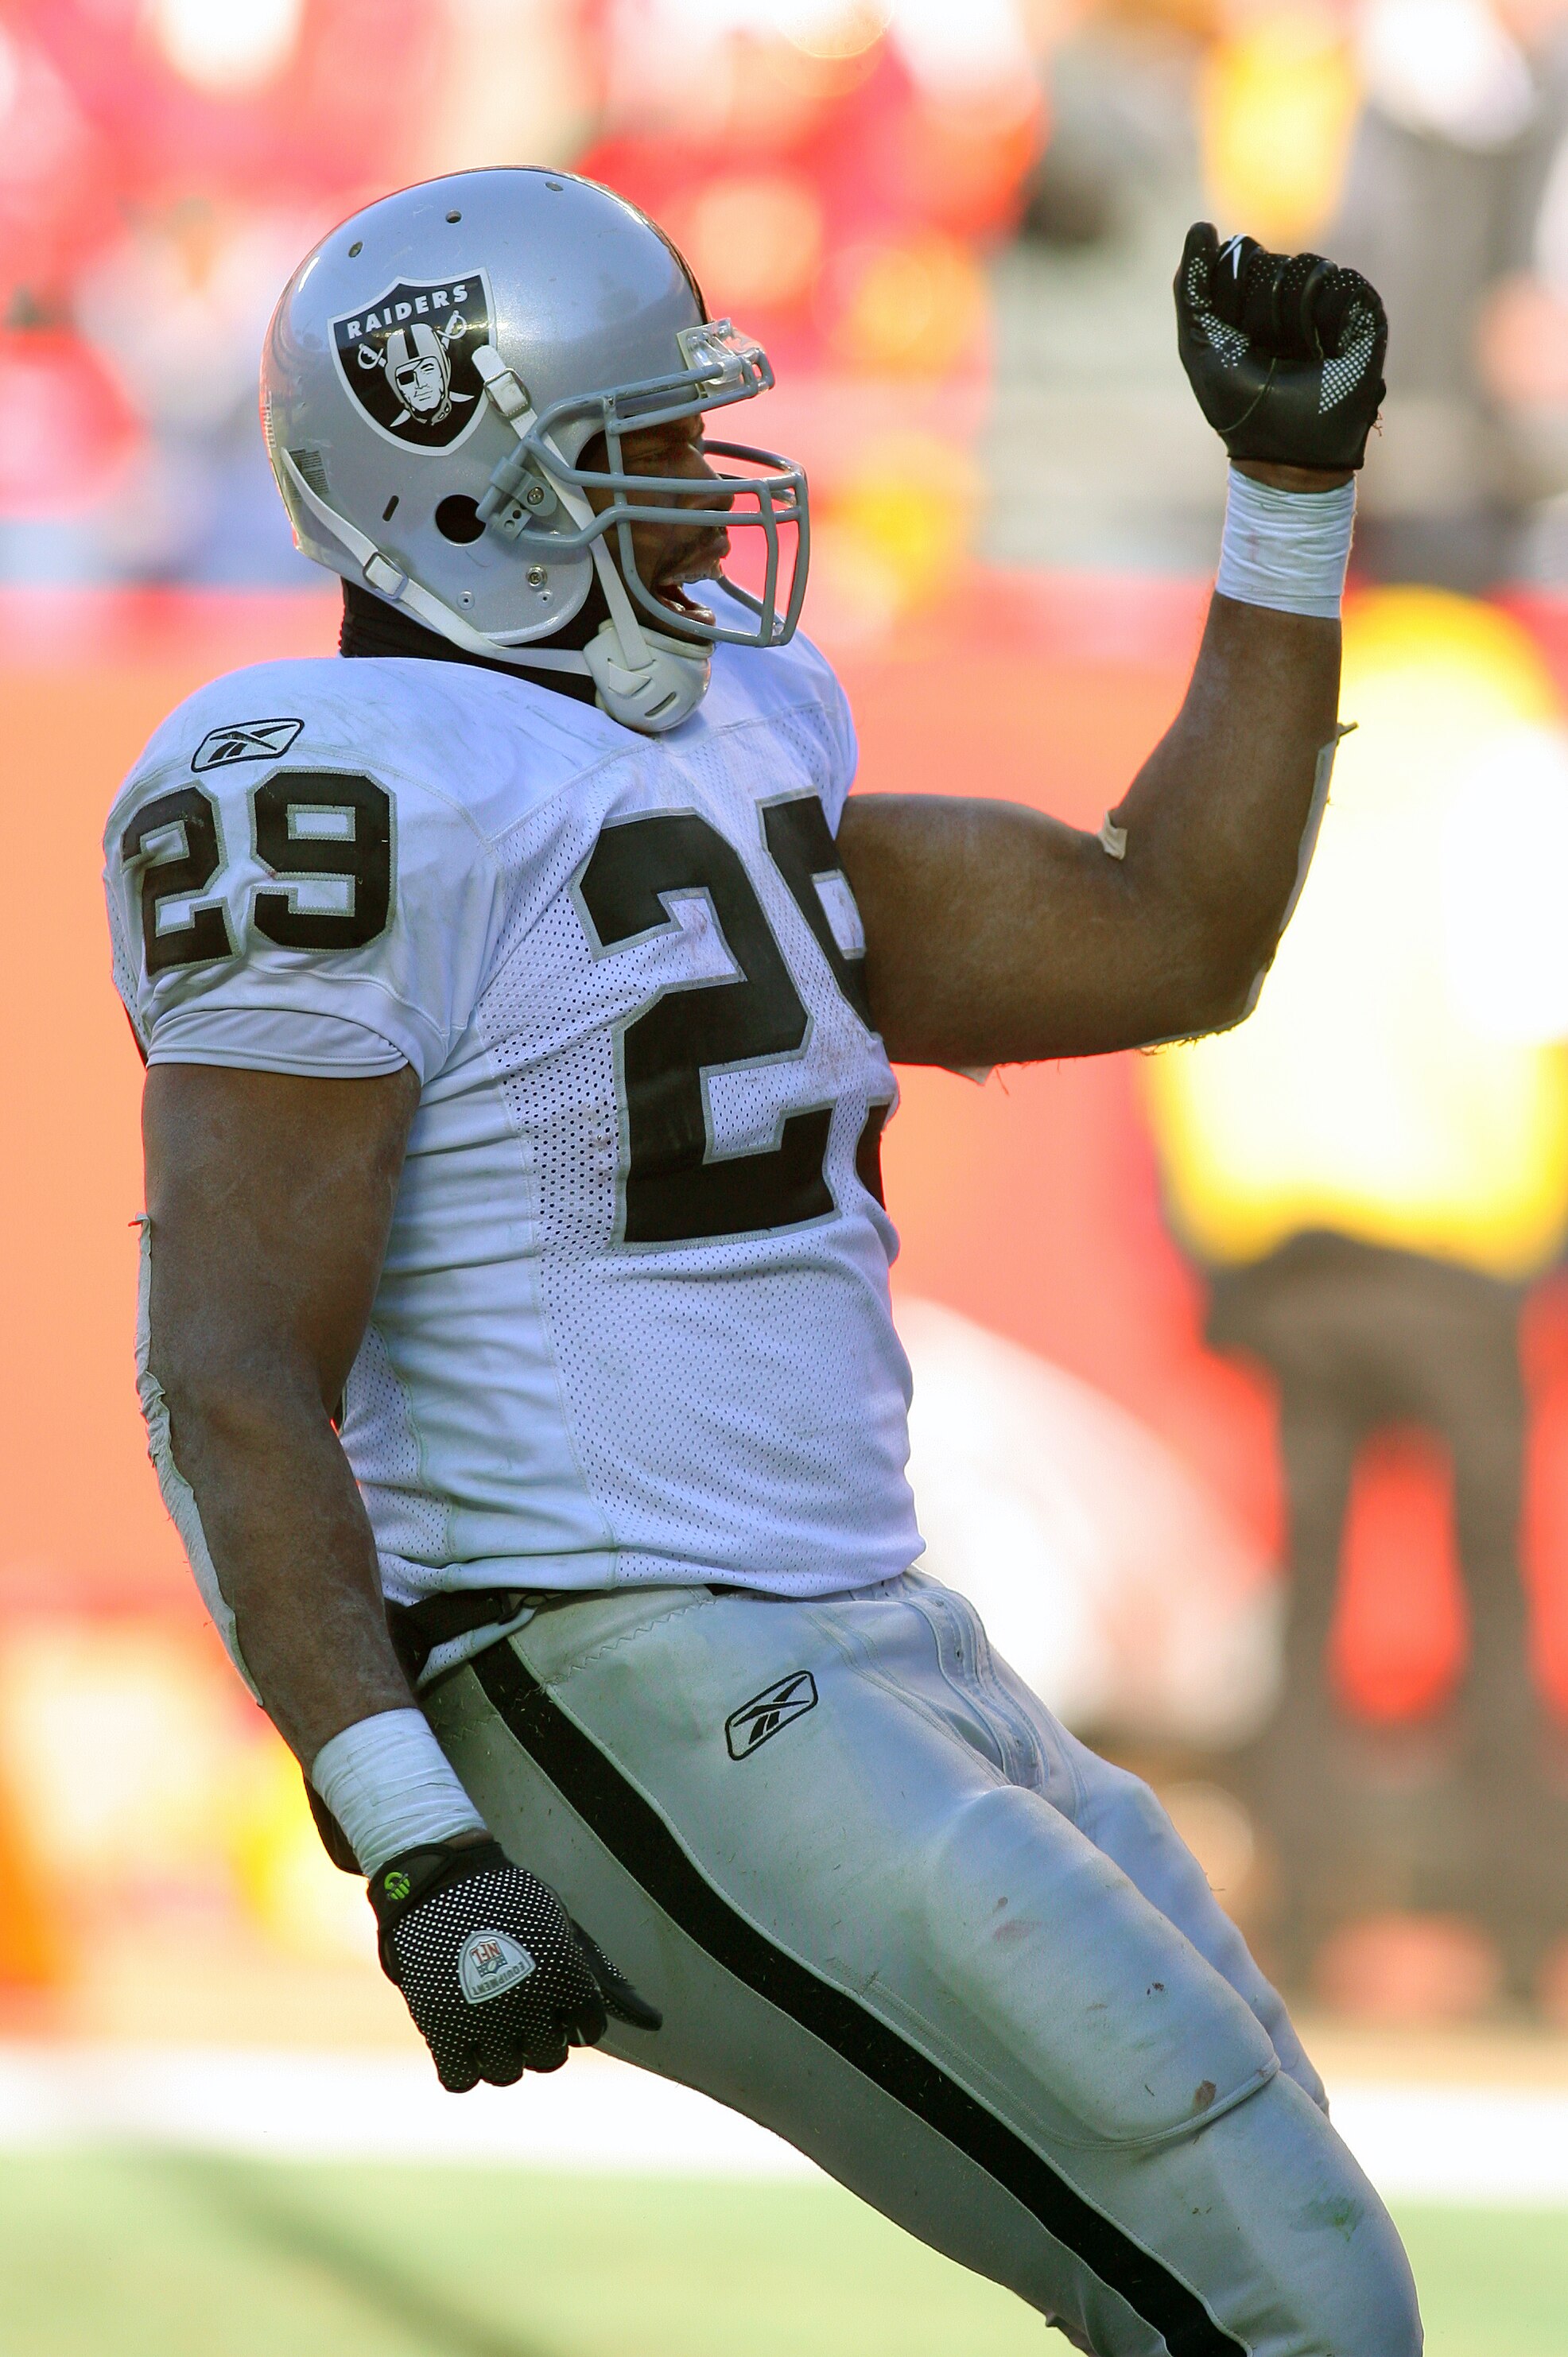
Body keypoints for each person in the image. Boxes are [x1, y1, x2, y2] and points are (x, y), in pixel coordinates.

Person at [106, 170, 1415, 2355]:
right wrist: (415, 1838)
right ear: (456, 488)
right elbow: (229, 1365)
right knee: (1288, 2300)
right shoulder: (337, 783)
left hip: (871, 1629)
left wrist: (1285, 497)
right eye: (625, 448)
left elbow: (1166, 930)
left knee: (1291, 2247)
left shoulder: (725, 726)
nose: (703, 489)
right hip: (604, 1652)